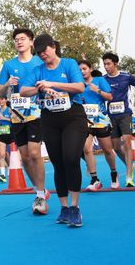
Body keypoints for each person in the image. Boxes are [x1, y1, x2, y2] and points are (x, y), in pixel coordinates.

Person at [21, 34, 86, 227]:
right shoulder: (38, 70)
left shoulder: (68, 64)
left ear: (54, 47)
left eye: (45, 50)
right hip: (49, 119)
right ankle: (64, 208)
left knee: (71, 158)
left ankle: (75, 207)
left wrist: (52, 84)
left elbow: (80, 87)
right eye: (39, 52)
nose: (42, 54)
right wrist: (40, 88)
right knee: (58, 163)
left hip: (73, 117)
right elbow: (23, 90)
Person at [0, 28, 48, 215]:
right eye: (16, 39)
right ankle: (39, 190)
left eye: (23, 38)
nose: (19, 41)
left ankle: (40, 196)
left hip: (36, 113)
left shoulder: (39, 63)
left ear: (31, 42)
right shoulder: (9, 65)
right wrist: (7, 84)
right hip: (16, 115)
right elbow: (1, 92)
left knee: (34, 153)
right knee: (25, 156)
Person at [102, 52, 135, 188]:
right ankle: (130, 165)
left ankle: (128, 177)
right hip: (111, 116)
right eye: (104, 64)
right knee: (115, 147)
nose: (106, 67)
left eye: (108, 64)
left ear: (115, 64)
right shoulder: (103, 79)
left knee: (127, 143)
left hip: (125, 114)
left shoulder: (126, 77)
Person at [78, 61, 118, 190]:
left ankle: (114, 173)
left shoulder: (99, 80)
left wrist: (98, 90)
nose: (82, 71)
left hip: (100, 120)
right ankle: (95, 180)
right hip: (84, 121)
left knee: (107, 150)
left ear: (90, 69)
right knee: (87, 149)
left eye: (84, 68)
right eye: (80, 70)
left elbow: (110, 97)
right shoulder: (78, 84)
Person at [0, 95, 14, 182]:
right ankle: (2, 175)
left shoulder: (9, 109)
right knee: (2, 155)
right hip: (1, 132)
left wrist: (4, 118)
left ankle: (12, 170)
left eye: (2, 99)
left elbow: (14, 120)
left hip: (10, 133)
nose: (1, 101)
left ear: (6, 100)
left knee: (12, 154)